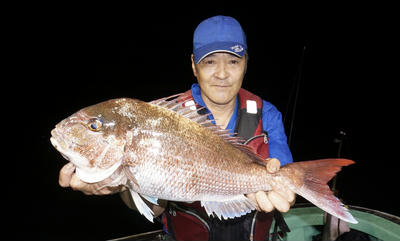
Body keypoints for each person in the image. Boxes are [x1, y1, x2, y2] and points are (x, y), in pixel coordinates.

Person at [58, 15, 295, 241]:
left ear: (245, 64)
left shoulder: (268, 114)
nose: (222, 74)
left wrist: (285, 184)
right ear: (194, 65)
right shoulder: (170, 115)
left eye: (233, 61)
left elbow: (284, 182)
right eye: (210, 62)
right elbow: (155, 205)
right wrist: (121, 184)